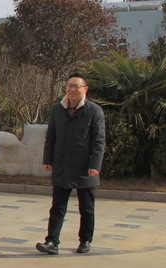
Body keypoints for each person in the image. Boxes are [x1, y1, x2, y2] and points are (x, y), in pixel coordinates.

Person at [36, 73, 105, 255]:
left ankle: (85, 240)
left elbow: (99, 141)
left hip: (85, 167)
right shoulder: (58, 109)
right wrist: (47, 160)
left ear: (85, 89)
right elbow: (51, 137)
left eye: (76, 86)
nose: (72, 89)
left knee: (86, 208)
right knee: (57, 207)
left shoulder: (94, 111)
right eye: (69, 85)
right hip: (62, 165)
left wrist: (95, 165)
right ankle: (52, 241)